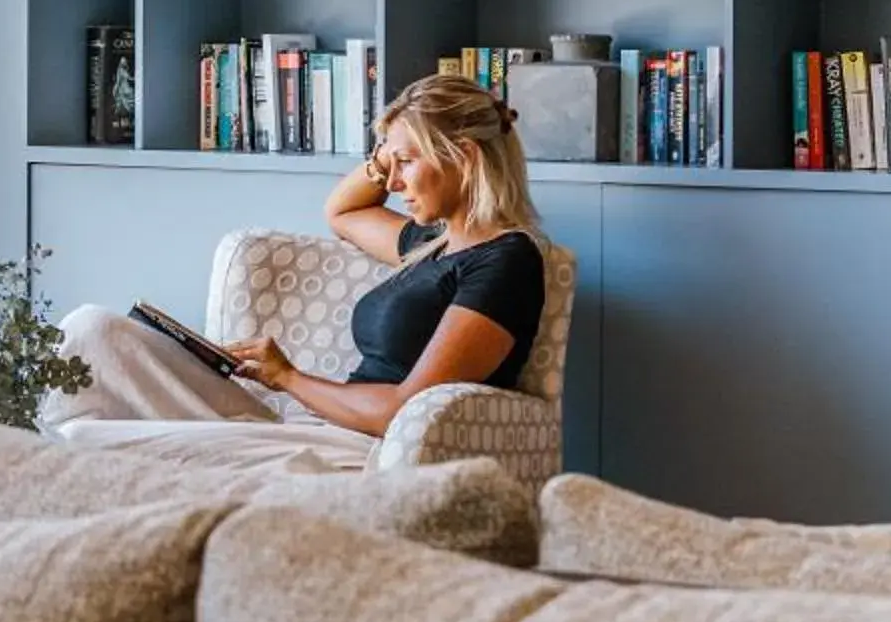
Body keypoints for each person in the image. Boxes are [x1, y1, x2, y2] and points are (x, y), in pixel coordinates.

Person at [43, 75, 550, 458]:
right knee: (94, 331)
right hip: (311, 427)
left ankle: (51, 465)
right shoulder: (429, 243)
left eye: (407, 163)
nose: (393, 182)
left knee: (87, 438)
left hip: (359, 449)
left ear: (464, 157)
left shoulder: (505, 263)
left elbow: (402, 409)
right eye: (389, 166)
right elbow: (342, 211)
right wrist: (390, 149)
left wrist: (287, 377)